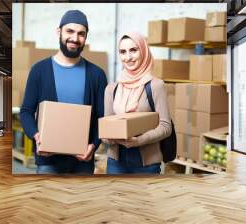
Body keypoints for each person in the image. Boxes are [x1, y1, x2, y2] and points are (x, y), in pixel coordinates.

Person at [20, 10, 108, 174]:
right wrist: (36, 137)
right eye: (70, 31)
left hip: (83, 160)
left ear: (86, 37)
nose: (75, 38)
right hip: (48, 161)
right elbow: (26, 111)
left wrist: (93, 145)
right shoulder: (39, 70)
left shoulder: (97, 75)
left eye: (81, 34)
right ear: (58, 32)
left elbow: (102, 118)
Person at [102, 32, 172, 174]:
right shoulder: (111, 89)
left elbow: (166, 127)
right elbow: (106, 127)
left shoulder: (156, 85)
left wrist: (138, 141)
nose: (128, 57)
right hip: (116, 162)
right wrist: (109, 138)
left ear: (143, 50)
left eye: (133, 50)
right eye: (123, 52)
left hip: (146, 164)